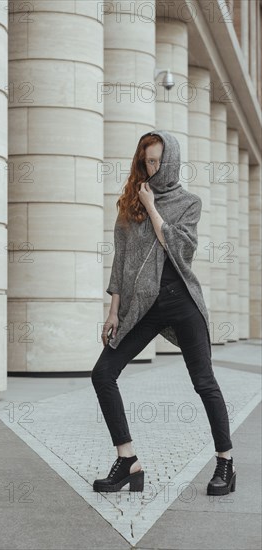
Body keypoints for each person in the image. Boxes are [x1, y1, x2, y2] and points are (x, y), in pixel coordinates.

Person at [91, 130, 236, 496]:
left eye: (157, 160)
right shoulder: (129, 202)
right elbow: (121, 261)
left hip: (181, 300)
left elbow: (180, 250)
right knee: (103, 373)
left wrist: (153, 207)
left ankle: (226, 462)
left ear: (170, 160)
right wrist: (113, 310)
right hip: (144, 307)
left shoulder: (189, 203)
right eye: (146, 161)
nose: (152, 168)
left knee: (204, 382)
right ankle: (128, 461)